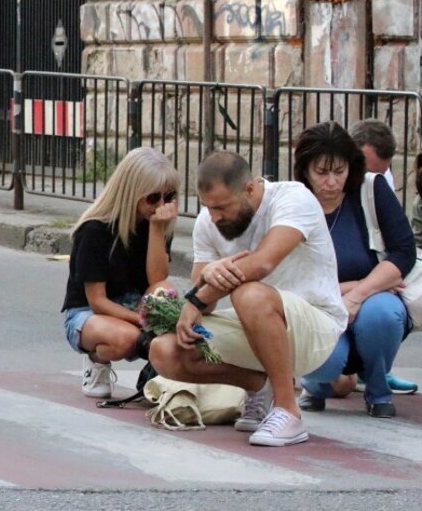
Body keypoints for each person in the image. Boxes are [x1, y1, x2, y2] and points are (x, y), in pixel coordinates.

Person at [149, 151, 347, 447]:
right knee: (165, 350)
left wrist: (196, 300)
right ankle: (260, 386)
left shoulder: (293, 198)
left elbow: (262, 263)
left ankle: (288, 410)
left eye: (222, 207)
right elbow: (205, 294)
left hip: (316, 325)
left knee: (248, 292)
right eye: (208, 207)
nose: (214, 217)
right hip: (258, 327)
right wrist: (207, 278)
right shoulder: (208, 221)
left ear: (250, 189)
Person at [293, 123, 414, 418]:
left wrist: (358, 294)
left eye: (340, 171)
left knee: (383, 313)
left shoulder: (371, 189)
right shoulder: (292, 202)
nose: (332, 182)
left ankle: (378, 390)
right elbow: (289, 278)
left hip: (371, 299)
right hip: (317, 305)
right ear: (305, 171)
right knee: (328, 362)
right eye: (322, 172)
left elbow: (403, 252)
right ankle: (316, 385)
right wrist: (354, 286)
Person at [62, 147, 180, 399]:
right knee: (128, 339)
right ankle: (96, 361)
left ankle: (159, 373)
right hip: (88, 313)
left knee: (165, 291)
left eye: (168, 197)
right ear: (131, 193)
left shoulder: (156, 225)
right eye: (152, 198)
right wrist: (142, 321)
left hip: (134, 304)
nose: (160, 205)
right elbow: (97, 300)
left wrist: (158, 229)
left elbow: (157, 280)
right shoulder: (95, 230)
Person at [349, 118, 418, 395]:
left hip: (372, 260)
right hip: (342, 271)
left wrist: (382, 277)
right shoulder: (328, 178)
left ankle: (376, 369)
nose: (372, 177)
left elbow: (400, 245)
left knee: (391, 307)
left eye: (382, 170)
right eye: (366, 169)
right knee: (333, 379)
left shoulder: (378, 180)